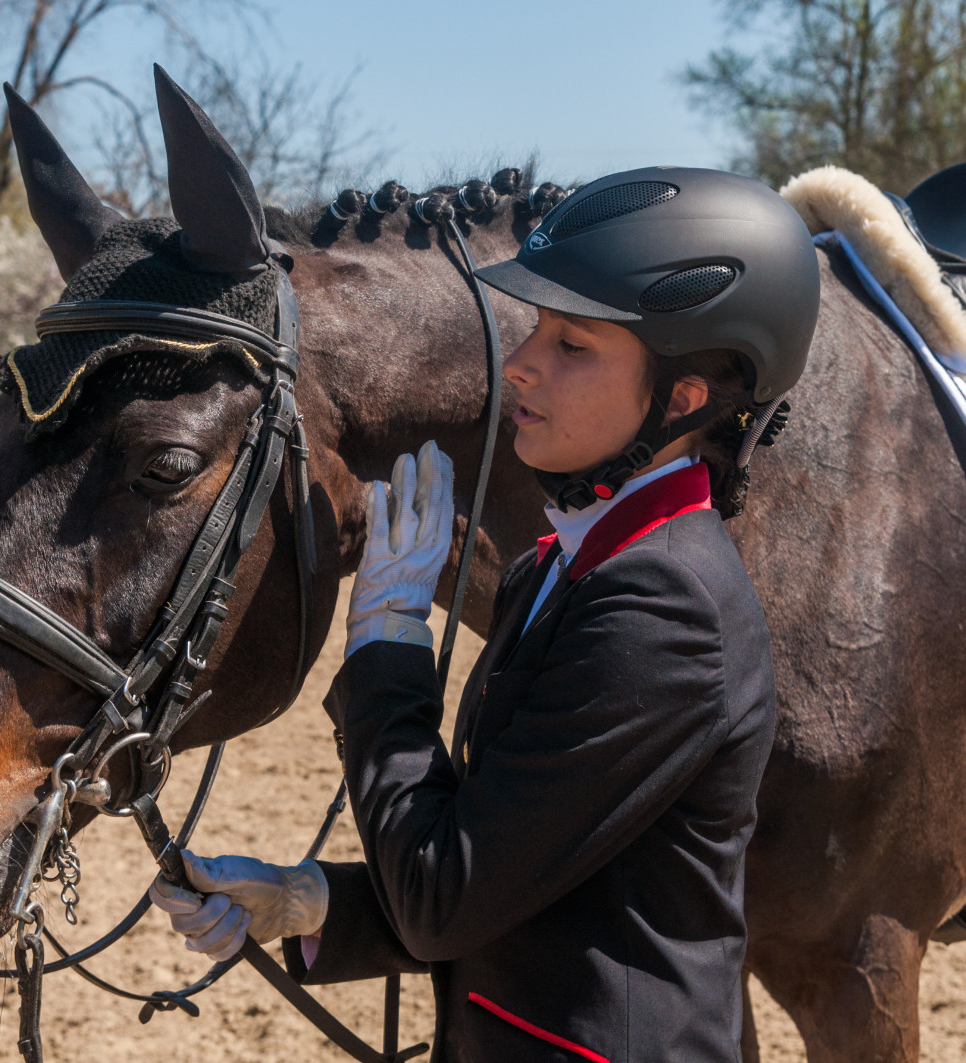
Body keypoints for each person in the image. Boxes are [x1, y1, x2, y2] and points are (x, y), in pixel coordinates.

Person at [152, 166, 821, 1062]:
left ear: (685, 397)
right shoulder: (564, 563)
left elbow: (443, 897)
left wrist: (388, 643)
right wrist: (312, 901)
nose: (523, 364)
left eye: (574, 346)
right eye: (538, 328)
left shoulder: (666, 609)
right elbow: (509, 863)